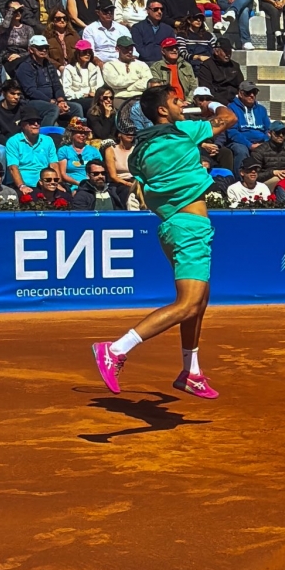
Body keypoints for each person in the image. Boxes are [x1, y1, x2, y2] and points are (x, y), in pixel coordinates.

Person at [93, 83, 235, 394]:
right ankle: (116, 349)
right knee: (187, 304)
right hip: (190, 230)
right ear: (162, 111)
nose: (181, 104)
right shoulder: (185, 131)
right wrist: (209, 105)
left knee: (198, 302)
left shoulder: (139, 155)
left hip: (172, 229)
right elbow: (229, 118)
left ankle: (191, 371)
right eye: (175, 101)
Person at [4, 106, 57, 192]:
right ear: (23, 125)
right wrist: (22, 186)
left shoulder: (48, 140)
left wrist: (57, 183)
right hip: (25, 184)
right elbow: (13, 168)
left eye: (38, 121)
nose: (36, 124)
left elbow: (54, 165)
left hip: (46, 183)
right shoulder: (13, 141)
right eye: (32, 122)